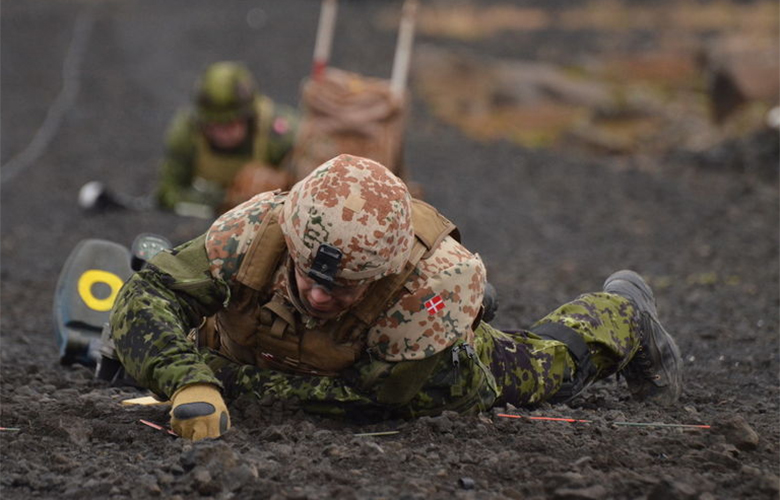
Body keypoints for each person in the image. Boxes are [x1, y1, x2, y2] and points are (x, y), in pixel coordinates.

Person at [110, 154, 683, 441]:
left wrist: (219, 377)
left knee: (547, 368)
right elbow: (147, 295)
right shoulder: (254, 231)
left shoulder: (423, 286)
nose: (316, 292)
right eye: (307, 273)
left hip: (421, 368)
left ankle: (624, 311)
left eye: (341, 286)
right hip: (265, 347)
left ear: (383, 274)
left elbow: (368, 403)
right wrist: (187, 375)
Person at [155, 61, 300, 217]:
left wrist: (281, 189)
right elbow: (167, 193)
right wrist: (220, 201)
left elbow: (306, 193)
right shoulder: (186, 133)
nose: (222, 134)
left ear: (250, 118)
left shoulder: (280, 135)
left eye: (231, 124)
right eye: (214, 125)